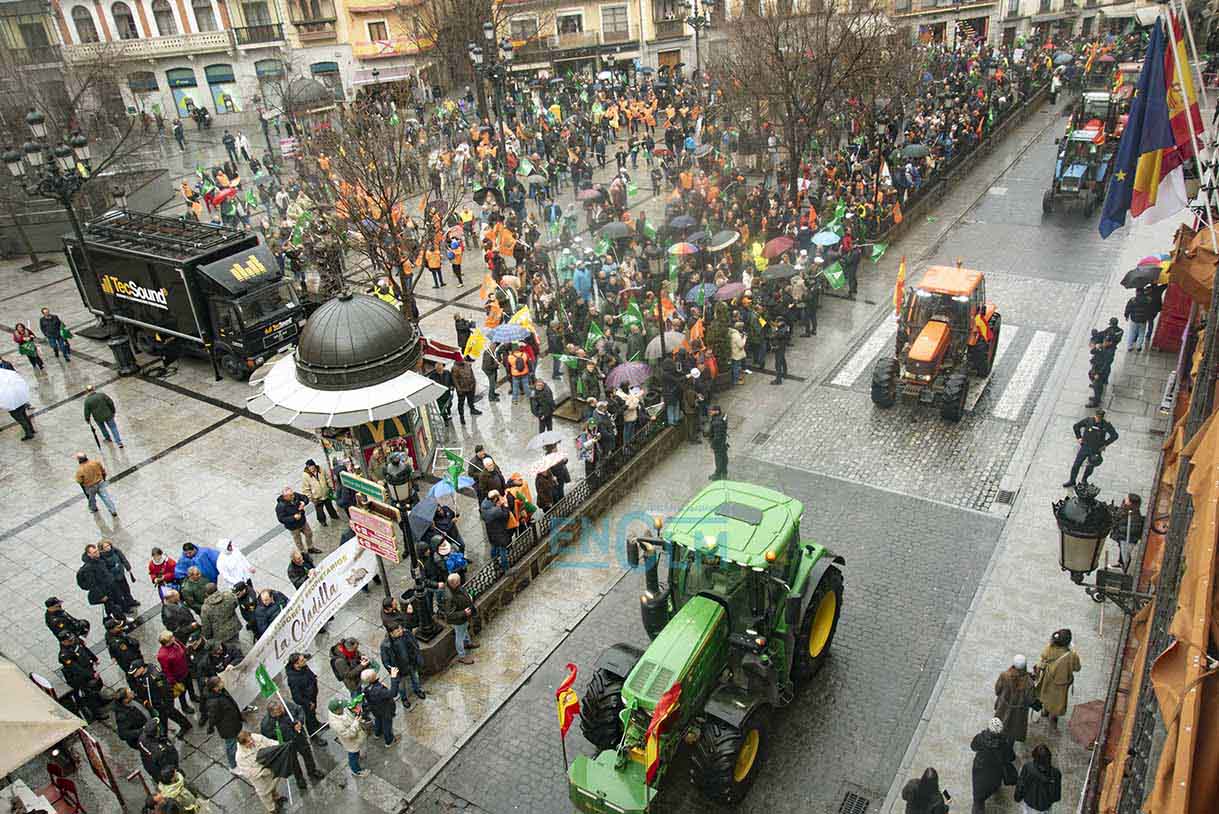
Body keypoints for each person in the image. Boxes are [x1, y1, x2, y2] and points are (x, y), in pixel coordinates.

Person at [260, 698, 326, 787]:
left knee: (307, 754)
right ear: (273, 713)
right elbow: (267, 739)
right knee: (293, 762)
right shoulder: (267, 724)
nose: (283, 710)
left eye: (282, 708)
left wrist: (300, 722)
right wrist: (278, 743)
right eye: (279, 711)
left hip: (299, 737)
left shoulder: (287, 705)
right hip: (287, 744)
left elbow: (300, 710)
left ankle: (312, 771)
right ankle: (299, 778)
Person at [127, 659, 192, 739]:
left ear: (141, 668)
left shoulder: (155, 677)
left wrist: (168, 704)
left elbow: (165, 690)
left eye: (135, 672)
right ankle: (164, 733)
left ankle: (184, 726)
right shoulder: (142, 674)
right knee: (163, 717)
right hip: (156, 702)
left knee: (172, 714)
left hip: (162, 702)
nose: (134, 675)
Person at [1035, 628, 1081, 729]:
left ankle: (1044, 712)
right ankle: (1053, 718)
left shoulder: (1050, 647)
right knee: (1058, 701)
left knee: (1046, 694)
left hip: (1048, 678)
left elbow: (1043, 659)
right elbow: (1077, 668)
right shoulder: (1072, 655)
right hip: (1062, 684)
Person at [970, 717, 1016, 814]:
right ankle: (995, 790)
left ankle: (978, 806)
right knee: (994, 783)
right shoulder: (1004, 743)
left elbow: (973, 747)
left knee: (979, 791)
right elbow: (1011, 757)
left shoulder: (980, 738)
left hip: (980, 767)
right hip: (996, 770)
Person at [58, 632, 108, 721]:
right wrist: (91, 675)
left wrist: (94, 658)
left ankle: (101, 701)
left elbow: (84, 649)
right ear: (63, 642)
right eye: (69, 640)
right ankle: (96, 714)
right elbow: (76, 669)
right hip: (80, 677)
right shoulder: (64, 655)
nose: (72, 641)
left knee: (97, 686)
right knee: (89, 694)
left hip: (88, 669)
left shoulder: (74, 642)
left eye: (72, 639)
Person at [233, 729, 285, 814]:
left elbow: (270, 743)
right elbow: (247, 772)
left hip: (268, 766)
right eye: (248, 742)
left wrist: (281, 745)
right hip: (258, 776)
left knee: (273, 783)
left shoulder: (257, 738)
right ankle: (271, 808)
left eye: (251, 739)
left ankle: (276, 797)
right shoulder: (240, 756)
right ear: (242, 744)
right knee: (264, 792)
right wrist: (262, 771)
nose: (251, 742)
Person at [1064, 408, 1118, 487]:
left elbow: (1115, 435)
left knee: (1090, 465)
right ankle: (1072, 481)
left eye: (1100, 418)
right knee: (1076, 464)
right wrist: (1079, 437)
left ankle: (1084, 480)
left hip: (1096, 449)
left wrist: (1105, 444)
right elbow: (1076, 426)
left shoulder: (1106, 425)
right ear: (1095, 415)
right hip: (1085, 447)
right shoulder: (1088, 420)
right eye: (1097, 417)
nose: (1098, 419)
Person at [379, 623, 426, 709]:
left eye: (400, 629)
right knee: (401, 687)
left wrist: (417, 657)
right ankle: (404, 699)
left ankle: (418, 690)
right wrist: (393, 671)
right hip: (399, 670)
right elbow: (385, 661)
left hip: (411, 664)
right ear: (391, 633)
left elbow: (415, 645)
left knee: (415, 678)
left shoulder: (406, 634)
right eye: (397, 631)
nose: (401, 631)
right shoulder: (385, 645)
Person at [994, 654, 1037, 748]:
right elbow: (1030, 699)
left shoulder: (1004, 675)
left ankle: (998, 744)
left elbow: (997, 690)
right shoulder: (1029, 682)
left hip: (1003, 707)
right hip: (1018, 712)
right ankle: (1008, 749)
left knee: (1000, 724)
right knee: (1013, 730)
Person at [78, 543, 129, 621]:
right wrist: (102, 596)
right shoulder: (89, 568)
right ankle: (119, 620)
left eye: (97, 551)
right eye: (94, 552)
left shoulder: (99, 559)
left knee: (118, 601)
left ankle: (121, 616)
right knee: (111, 607)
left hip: (111, 586)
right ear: (89, 554)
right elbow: (92, 585)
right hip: (104, 591)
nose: (97, 553)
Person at [203, 676, 243, 768]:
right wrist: (211, 727)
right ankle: (233, 765)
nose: (222, 682)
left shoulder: (221, 692)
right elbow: (213, 717)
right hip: (228, 728)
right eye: (220, 682)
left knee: (235, 743)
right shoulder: (214, 702)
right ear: (215, 688)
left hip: (233, 723)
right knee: (231, 747)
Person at [285, 653, 325, 745]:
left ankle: (316, 724)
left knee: (313, 713)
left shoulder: (304, 667)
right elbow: (296, 697)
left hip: (312, 696)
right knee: (309, 718)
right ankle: (313, 736)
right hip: (306, 702)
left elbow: (310, 674)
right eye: (302, 660)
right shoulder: (293, 679)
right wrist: (308, 703)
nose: (305, 661)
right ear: (296, 664)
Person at [155, 630, 196, 717]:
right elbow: (166, 670)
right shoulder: (162, 655)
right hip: (178, 677)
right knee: (182, 693)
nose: (174, 638)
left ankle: (193, 696)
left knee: (190, 685)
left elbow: (183, 647)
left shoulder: (175, 642)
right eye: (171, 638)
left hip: (186, 669)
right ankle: (184, 707)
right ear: (166, 642)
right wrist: (173, 682)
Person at [440, 573, 478, 664]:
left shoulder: (455, 588)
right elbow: (450, 614)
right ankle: (462, 656)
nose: (460, 583)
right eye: (458, 582)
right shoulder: (449, 597)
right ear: (454, 583)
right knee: (459, 637)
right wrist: (464, 613)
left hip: (464, 617)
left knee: (464, 630)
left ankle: (467, 643)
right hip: (459, 620)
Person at [1015, 744, 1062, 814]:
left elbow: (1021, 786)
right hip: (1045, 807)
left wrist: (1017, 797)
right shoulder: (1056, 773)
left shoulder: (1027, 768)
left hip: (1030, 804)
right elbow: (1056, 797)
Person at [327, 698, 368, 777]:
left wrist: (354, 711)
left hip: (356, 736)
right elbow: (349, 734)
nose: (344, 708)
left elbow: (348, 712)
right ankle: (356, 771)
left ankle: (358, 757)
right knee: (353, 754)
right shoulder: (336, 724)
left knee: (356, 751)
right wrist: (356, 722)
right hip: (351, 742)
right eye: (341, 707)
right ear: (336, 710)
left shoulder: (339, 711)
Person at [359, 668, 399, 746]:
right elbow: (393, 693)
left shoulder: (365, 687)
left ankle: (377, 733)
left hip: (375, 709)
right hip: (385, 710)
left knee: (378, 720)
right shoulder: (379, 690)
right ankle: (389, 741)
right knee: (387, 725)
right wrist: (393, 678)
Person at [276, 485, 321, 554]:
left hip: (302, 521)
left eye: (292, 494)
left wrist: (304, 503)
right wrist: (293, 517)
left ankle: (310, 547)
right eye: (291, 495)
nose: (293, 496)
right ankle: (302, 552)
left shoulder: (295, 495)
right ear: (285, 497)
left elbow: (305, 498)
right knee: (298, 540)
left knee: (309, 534)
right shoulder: (280, 506)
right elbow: (281, 519)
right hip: (293, 527)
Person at [98, 538, 138, 610]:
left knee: (126, 589)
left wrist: (127, 567)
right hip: (113, 579)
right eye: (105, 547)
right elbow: (105, 570)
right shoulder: (102, 558)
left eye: (108, 545)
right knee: (119, 594)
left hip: (121, 575)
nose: (108, 547)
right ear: (102, 549)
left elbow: (123, 558)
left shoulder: (116, 551)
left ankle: (130, 601)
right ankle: (125, 607)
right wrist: (115, 568)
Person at [74, 452, 117, 517]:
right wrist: (104, 478)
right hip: (100, 483)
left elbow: (79, 480)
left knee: (92, 499)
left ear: (79, 460)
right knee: (106, 497)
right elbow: (103, 471)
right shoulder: (96, 462)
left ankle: (94, 508)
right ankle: (113, 510)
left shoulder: (80, 470)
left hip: (90, 487)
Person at [1109, 493, 1144, 571]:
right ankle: (1120, 563)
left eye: (1127, 498)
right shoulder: (1125, 508)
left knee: (1125, 554)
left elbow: (1134, 529)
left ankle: (1124, 568)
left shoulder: (1135, 515)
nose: (1125, 498)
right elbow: (1118, 516)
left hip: (1128, 539)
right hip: (1121, 536)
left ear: (1131, 502)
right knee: (1122, 551)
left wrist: (1120, 528)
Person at [480, 490, 512, 572]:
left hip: (490, 531)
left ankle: (495, 563)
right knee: (502, 549)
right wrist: (505, 505)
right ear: (494, 499)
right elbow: (506, 515)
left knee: (494, 547)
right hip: (499, 532)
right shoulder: (496, 510)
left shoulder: (484, 504)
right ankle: (506, 569)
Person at [301, 460, 339, 526]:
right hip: (317, 498)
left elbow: (328, 478)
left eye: (312, 466)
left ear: (314, 465)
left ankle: (334, 516)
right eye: (309, 467)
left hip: (326, 493)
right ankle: (322, 521)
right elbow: (305, 489)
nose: (311, 469)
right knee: (319, 511)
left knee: (330, 507)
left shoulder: (321, 469)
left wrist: (331, 487)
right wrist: (311, 498)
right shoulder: (305, 476)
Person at [1124, 287, 1155, 352]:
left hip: (1134, 319)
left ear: (1136, 292)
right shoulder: (1148, 300)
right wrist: (1149, 318)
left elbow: (1128, 308)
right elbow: (1150, 310)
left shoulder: (1132, 300)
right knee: (1141, 333)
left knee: (1132, 333)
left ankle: (1129, 346)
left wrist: (1126, 316)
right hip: (1143, 320)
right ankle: (1138, 346)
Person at [452, 356, 481, 424]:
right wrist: (459, 389)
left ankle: (472, 410)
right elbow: (454, 380)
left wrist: (474, 384)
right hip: (462, 389)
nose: (462, 359)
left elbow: (472, 374)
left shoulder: (467, 365)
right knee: (461, 403)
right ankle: (461, 417)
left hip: (470, 387)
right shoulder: (455, 368)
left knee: (471, 400)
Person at [707, 405, 729, 480]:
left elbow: (717, 437)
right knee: (724, 457)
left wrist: (712, 445)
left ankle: (718, 475)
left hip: (718, 444)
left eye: (712, 410)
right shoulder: (722, 417)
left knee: (719, 459)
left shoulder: (717, 423)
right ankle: (724, 472)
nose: (710, 412)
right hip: (723, 442)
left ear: (717, 411)